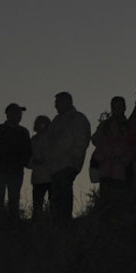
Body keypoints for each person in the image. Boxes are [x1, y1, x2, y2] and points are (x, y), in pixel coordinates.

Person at [47, 92, 92, 220]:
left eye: (58, 102)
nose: (55, 106)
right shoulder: (56, 121)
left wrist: (75, 156)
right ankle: (56, 221)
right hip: (55, 165)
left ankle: (65, 220)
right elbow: (49, 141)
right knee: (55, 195)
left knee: (64, 191)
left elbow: (82, 138)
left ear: (67, 102)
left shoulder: (77, 118)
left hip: (68, 163)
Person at [0, 103, 32, 216]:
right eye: (16, 113)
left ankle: (12, 225)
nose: (19, 116)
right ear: (8, 114)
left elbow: (28, 152)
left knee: (14, 202)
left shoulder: (23, 132)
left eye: (20, 113)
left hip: (16, 171)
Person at [91, 96, 131, 205]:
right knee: (105, 195)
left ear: (124, 108)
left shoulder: (130, 125)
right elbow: (95, 140)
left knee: (121, 195)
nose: (116, 109)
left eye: (119, 107)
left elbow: (131, 147)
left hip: (122, 170)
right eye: (114, 107)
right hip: (106, 170)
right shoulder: (105, 125)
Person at [28, 115, 53, 217]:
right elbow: (28, 159)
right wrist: (34, 162)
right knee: (37, 205)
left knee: (53, 204)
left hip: (51, 175)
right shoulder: (33, 141)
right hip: (38, 178)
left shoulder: (53, 139)